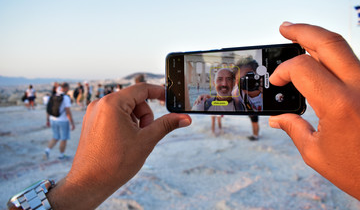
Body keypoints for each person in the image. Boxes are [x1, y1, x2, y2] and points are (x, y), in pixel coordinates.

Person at [7, 23, 360, 209]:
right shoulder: (209, 98)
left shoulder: (239, 97)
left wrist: (77, 191)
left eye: (228, 78)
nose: (225, 82)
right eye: (221, 77)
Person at [233, 56, 263, 141]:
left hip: (254, 111)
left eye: (249, 76)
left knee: (255, 122)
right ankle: (255, 135)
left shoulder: (267, 90)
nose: (246, 82)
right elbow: (223, 99)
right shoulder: (238, 93)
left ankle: (256, 135)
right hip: (251, 110)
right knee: (254, 122)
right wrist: (208, 98)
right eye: (241, 80)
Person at [44, 82, 76, 160]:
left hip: (53, 119)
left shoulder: (53, 96)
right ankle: (61, 155)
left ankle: (47, 150)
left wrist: (47, 120)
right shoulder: (65, 98)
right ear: (65, 88)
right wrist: (72, 123)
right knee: (64, 138)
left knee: (55, 137)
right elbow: (68, 112)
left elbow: (48, 109)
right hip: (63, 120)